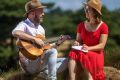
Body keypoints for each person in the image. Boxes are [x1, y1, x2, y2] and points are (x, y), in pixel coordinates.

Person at [12, 0, 68, 80]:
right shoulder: (24, 25)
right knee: (53, 51)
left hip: (40, 62)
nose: (43, 14)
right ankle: (52, 78)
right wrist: (34, 39)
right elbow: (15, 32)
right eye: (41, 12)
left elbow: (43, 48)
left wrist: (58, 43)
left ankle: (45, 74)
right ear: (32, 13)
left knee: (68, 60)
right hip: (29, 65)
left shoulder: (41, 29)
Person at [68, 0, 108, 80]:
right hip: (84, 50)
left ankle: (90, 78)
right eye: (85, 10)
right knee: (72, 52)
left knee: (82, 54)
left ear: (94, 12)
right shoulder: (81, 25)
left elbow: (102, 46)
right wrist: (77, 43)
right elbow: (78, 40)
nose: (85, 11)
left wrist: (88, 48)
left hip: (96, 53)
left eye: (88, 10)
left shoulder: (104, 26)